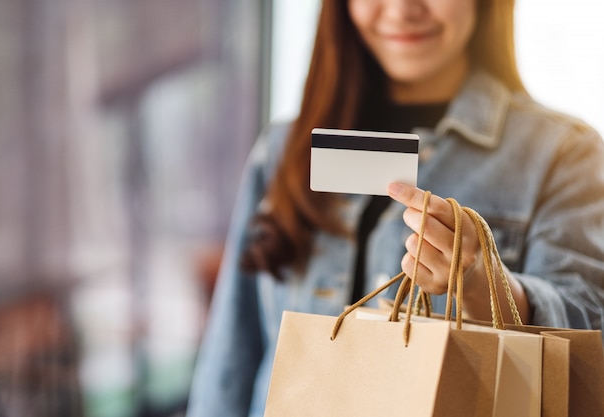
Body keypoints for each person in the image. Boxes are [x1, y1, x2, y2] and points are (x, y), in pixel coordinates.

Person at [187, 0, 604, 416]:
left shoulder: (562, 153)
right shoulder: (284, 147)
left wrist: (486, 285)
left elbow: (588, 327)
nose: (402, 10)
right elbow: (232, 355)